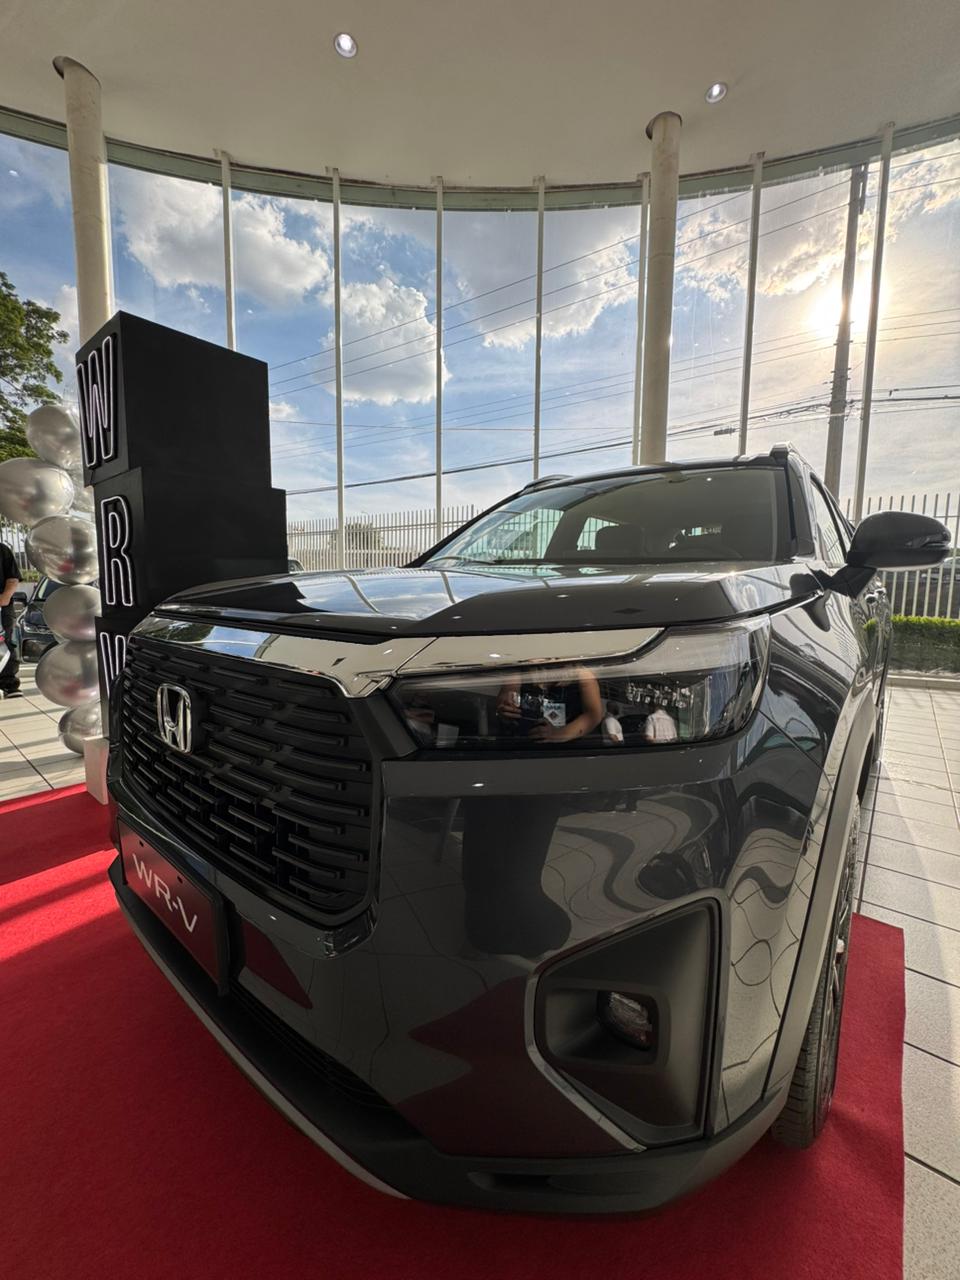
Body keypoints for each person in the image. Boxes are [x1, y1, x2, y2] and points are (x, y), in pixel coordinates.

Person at [0, 542, 22, 697]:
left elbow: (13, 579)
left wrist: (4, 597)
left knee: (6, 642)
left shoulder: (2, 550)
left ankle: (8, 684)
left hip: (2, 607)